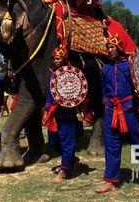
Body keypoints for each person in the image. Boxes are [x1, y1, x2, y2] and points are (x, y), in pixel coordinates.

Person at [97, 35, 139, 193]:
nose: (109, 50)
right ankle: (111, 180)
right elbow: (103, 90)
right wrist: (106, 105)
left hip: (128, 108)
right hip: (110, 110)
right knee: (111, 144)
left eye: (112, 47)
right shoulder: (105, 69)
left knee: (138, 141)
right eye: (108, 47)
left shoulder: (128, 65)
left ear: (119, 48)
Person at [42, 47, 80, 183]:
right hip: (54, 112)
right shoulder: (53, 74)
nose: (56, 60)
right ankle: (72, 159)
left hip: (67, 113)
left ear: (64, 59)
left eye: (58, 58)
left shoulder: (72, 73)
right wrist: (46, 110)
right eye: (54, 58)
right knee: (53, 141)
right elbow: (50, 93)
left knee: (67, 142)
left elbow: (78, 92)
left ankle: (63, 171)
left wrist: (78, 111)